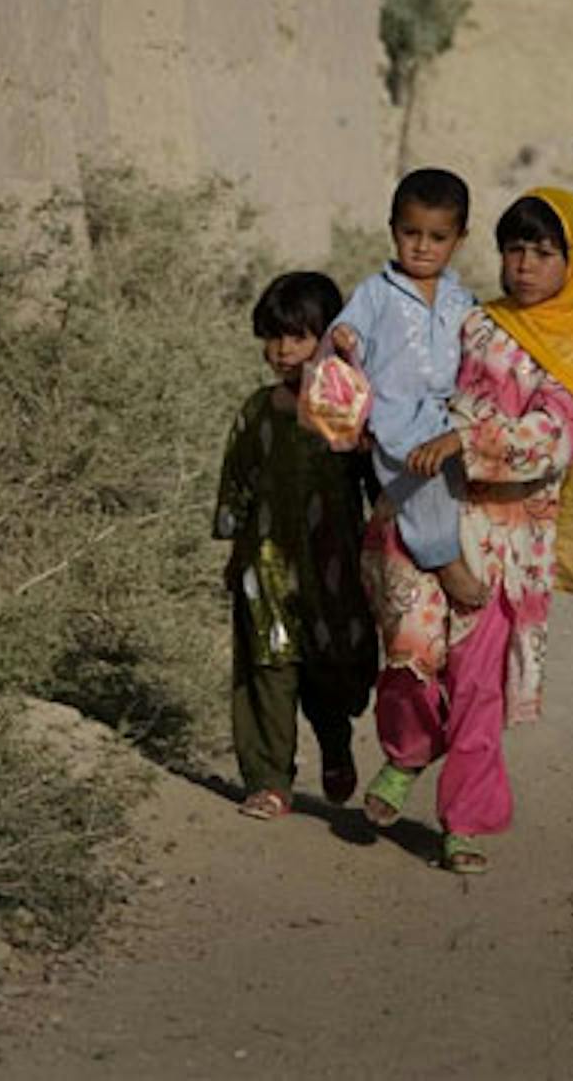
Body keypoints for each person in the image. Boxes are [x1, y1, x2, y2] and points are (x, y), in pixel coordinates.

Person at [358, 189, 573, 875]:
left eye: (543, 252)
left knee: (476, 686)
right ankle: (407, 752)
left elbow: (552, 438)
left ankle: (465, 818)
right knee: (409, 651)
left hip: (502, 544)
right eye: (514, 248)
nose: (525, 264)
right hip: (420, 512)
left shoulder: (571, 345)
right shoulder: (469, 319)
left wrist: (462, 440)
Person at [213, 272, 380, 820]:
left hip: (334, 568)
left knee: (332, 668)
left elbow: (376, 473)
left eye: (300, 337)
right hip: (265, 567)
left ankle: (334, 739)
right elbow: (237, 482)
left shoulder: (344, 408)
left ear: (327, 338)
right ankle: (268, 779)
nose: (284, 350)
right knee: (268, 668)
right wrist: (235, 553)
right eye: (275, 337)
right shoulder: (257, 411)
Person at [327, 168, 485, 687]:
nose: (422, 248)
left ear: (459, 239)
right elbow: (341, 336)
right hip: (396, 417)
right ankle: (444, 562)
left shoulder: (462, 300)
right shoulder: (376, 293)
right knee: (422, 480)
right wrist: (344, 337)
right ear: (393, 228)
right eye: (410, 233)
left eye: (437, 238)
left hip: (446, 415)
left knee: (458, 482)